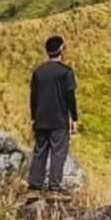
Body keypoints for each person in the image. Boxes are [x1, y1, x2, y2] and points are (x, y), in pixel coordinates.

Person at [27, 35, 79, 200]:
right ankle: (53, 188)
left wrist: (34, 117)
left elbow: (33, 97)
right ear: (61, 50)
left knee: (39, 152)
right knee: (58, 153)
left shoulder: (38, 72)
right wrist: (74, 119)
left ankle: (34, 187)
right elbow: (70, 97)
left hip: (41, 119)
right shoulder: (66, 72)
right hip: (59, 119)